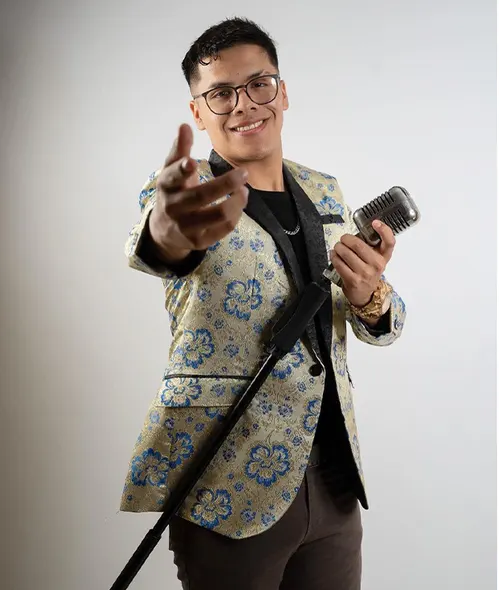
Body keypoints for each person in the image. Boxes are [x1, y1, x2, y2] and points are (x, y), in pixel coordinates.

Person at [118, 18, 406, 590]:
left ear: (283, 91)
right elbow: (161, 244)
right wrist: (167, 233)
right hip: (226, 480)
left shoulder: (325, 191)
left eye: (258, 84)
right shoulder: (185, 192)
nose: (243, 104)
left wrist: (369, 294)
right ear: (198, 112)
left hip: (333, 477)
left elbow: (376, 324)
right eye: (220, 93)